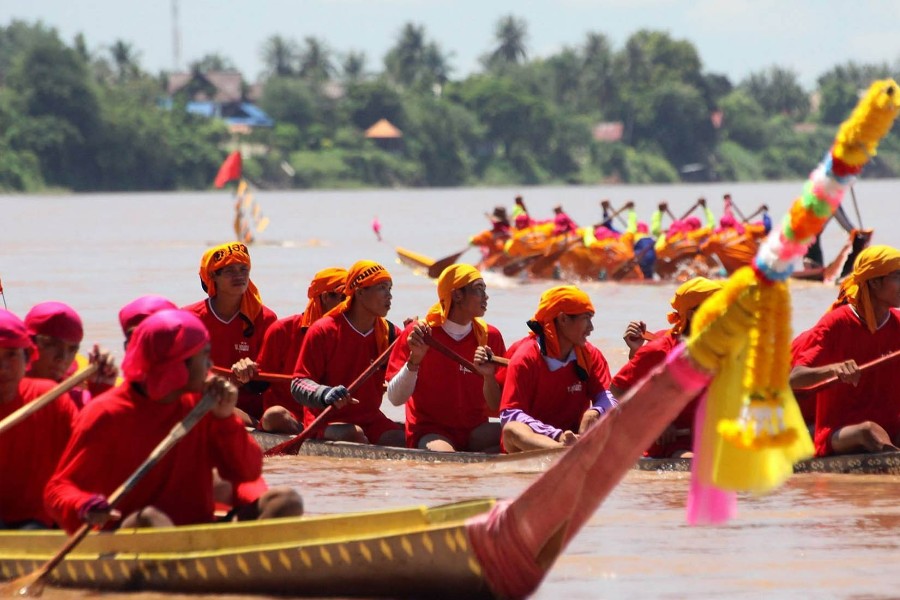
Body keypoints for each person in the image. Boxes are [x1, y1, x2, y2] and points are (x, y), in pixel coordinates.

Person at [44, 309, 301, 534]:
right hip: (136, 529)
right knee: (150, 520)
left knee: (285, 501)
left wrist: (225, 419)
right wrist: (84, 506)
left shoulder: (203, 406)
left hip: (198, 527)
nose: (210, 364)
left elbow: (247, 472)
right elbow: (58, 489)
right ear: (177, 366)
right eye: (204, 356)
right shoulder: (107, 412)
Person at [790, 245, 900, 457]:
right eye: (897, 277)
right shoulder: (837, 322)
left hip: (888, 420)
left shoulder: (897, 324)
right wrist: (834, 369)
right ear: (875, 283)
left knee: (880, 429)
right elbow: (795, 379)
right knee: (868, 431)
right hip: (839, 428)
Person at [386, 264, 506, 452]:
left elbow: (498, 408)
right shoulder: (419, 333)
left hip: (476, 431)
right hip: (431, 431)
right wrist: (415, 359)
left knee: (519, 433)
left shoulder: (491, 336)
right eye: (478, 290)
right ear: (457, 295)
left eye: (485, 290)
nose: (486, 296)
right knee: (446, 458)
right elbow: (395, 398)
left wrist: (488, 377)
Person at [291, 260, 404, 446]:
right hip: (324, 420)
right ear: (359, 293)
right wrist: (325, 393)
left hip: (370, 419)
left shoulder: (391, 334)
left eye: (390, 289)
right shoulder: (323, 330)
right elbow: (298, 383)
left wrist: (415, 342)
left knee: (400, 439)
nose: (389, 296)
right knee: (354, 434)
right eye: (382, 288)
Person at [609, 277, 723, 457]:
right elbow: (617, 391)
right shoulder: (659, 350)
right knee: (692, 463)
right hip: (671, 443)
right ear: (693, 315)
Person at [499, 285, 614, 453]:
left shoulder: (591, 355)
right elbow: (509, 414)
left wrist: (597, 410)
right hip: (535, 443)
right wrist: (556, 436)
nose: (591, 328)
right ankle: (562, 450)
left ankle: (569, 449)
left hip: (574, 437)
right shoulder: (525, 357)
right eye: (586, 318)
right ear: (563, 319)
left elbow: (609, 399)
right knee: (513, 429)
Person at [234, 267, 347, 434]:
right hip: (288, 417)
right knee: (274, 415)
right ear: (325, 297)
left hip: (335, 416)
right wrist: (244, 370)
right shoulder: (282, 329)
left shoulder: (358, 332)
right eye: (345, 298)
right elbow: (258, 384)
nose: (351, 305)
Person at [183, 242, 278, 424]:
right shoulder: (188, 318)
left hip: (254, 414)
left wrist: (250, 374)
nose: (239, 276)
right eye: (229, 271)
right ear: (212, 276)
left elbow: (268, 382)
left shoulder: (266, 318)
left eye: (244, 269)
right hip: (203, 404)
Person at [0, 309, 78, 529]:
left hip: (36, 523)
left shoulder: (50, 397)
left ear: (27, 357)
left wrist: (102, 390)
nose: (2, 367)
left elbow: (88, 451)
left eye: (11, 355)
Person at [24, 301, 118, 409]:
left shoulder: (78, 400)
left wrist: (101, 389)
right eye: (51, 344)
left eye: (72, 349)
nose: (62, 358)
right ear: (28, 343)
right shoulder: (6, 390)